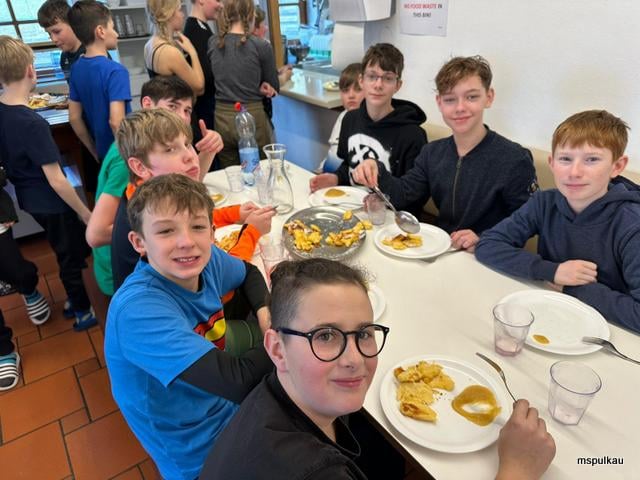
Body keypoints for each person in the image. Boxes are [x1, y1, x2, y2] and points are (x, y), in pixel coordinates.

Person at [200, 258, 556, 479]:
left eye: (364, 333)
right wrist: (518, 470)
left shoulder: (274, 394)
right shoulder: (311, 470)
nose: (354, 358)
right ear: (278, 349)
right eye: (325, 336)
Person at [105, 174, 273, 480]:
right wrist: (287, 333)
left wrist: (267, 317)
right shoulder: (138, 310)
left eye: (197, 226)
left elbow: (247, 272)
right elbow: (238, 381)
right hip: (195, 451)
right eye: (166, 230)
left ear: (212, 232)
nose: (186, 242)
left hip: (223, 403)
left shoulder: (206, 260)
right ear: (139, 242)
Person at [110, 109, 274, 345]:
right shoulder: (146, 225)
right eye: (170, 149)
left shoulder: (141, 196)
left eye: (187, 144)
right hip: (188, 324)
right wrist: (253, 231)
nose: (189, 156)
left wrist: (234, 214)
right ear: (140, 167)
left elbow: (183, 220)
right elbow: (214, 267)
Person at [475, 110, 640, 333]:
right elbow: (488, 245)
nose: (574, 172)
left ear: (617, 166)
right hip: (548, 317)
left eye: (592, 160)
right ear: (552, 163)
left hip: (610, 334)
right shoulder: (544, 202)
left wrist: (573, 288)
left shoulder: (631, 225)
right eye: (565, 159)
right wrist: (552, 271)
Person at [353, 55, 537, 251]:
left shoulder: (514, 159)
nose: (460, 108)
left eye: (472, 97)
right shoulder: (432, 153)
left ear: (489, 97)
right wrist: (376, 169)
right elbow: (404, 194)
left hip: (490, 255)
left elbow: (531, 218)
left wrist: (484, 238)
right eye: (450, 99)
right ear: (439, 102)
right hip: (442, 248)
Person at [85, 75, 224, 297]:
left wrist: (207, 152)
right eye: (173, 106)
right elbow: (94, 235)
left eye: (187, 110)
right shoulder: (129, 161)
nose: (181, 116)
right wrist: (159, 232)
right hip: (132, 286)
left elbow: (186, 185)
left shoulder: (155, 183)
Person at [0, 36, 96, 331]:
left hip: (29, 200)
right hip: (53, 202)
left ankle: (74, 299)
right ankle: (82, 309)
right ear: (31, 71)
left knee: (63, 247)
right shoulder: (32, 123)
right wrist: (84, 211)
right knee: (71, 256)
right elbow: (57, 179)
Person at [310, 43, 428, 214]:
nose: (378, 85)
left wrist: (380, 183)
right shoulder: (349, 119)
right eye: (372, 76)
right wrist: (335, 178)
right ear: (362, 80)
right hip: (351, 208)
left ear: (398, 85)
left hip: (389, 219)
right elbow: (349, 166)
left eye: (388, 78)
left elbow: (414, 196)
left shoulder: (413, 135)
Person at [208, 0, 280, 168]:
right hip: (251, 115)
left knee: (230, 172)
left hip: (222, 117)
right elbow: (273, 87)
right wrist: (262, 87)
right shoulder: (260, 45)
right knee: (260, 169)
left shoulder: (213, 42)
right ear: (250, 15)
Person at [67, 0, 131, 163]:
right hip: (122, 156)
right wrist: (129, 157)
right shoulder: (116, 71)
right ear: (101, 31)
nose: (116, 34)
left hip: (103, 154)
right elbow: (116, 122)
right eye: (113, 27)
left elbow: (74, 118)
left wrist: (94, 151)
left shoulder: (76, 68)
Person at [145, 0, 205, 96]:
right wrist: (192, 51)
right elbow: (199, 88)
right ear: (168, 14)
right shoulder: (170, 52)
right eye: (179, 10)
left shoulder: (149, 45)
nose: (183, 15)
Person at [183, 0, 223, 139]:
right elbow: (206, 77)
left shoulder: (202, 28)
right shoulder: (195, 31)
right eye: (217, 0)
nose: (220, 5)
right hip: (205, 111)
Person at [317, 62, 364, 173]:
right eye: (345, 90)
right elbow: (333, 153)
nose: (351, 95)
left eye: (358, 89)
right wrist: (320, 170)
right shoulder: (343, 116)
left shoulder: (369, 121)